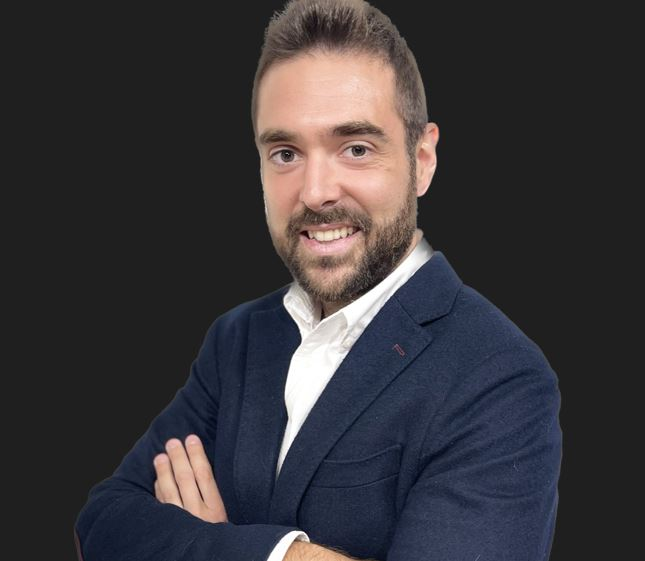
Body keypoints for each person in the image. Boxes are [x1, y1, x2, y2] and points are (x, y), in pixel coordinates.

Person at [75, 0, 562, 559]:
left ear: (423, 159)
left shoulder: (499, 376)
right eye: (285, 153)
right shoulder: (237, 341)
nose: (315, 192)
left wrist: (228, 548)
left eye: (355, 148)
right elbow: (103, 522)